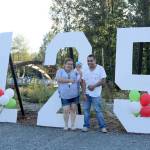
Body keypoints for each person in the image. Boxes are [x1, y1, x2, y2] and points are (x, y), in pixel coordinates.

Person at [81, 54, 107, 133]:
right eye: (88, 61)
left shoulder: (100, 69)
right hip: (87, 94)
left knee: (98, 111)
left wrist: (94, 86)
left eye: (91, 60)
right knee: (86, 110)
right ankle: (86, 126)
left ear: (95, 60)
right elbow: (83, 82)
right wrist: (84, 93)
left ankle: (103, 127)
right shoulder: (85, 69)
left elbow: (103, 81)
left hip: (96, 94)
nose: (89, 62)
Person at [56, 58, 81, 130]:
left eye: (71, 64)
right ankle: (66, 125)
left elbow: (79, 80)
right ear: (64, 64)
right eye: (68, 64)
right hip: (64, 95)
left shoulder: (75, 72)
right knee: (66, 110)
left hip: (74, 94)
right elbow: (58, 79)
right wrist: (69, 80)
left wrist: (80, 72)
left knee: (73, 110)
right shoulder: (60, 71)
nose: (70, 65)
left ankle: (73, 125)